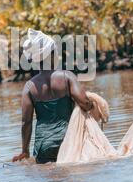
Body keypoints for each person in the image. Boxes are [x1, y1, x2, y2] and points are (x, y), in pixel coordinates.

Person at [12, 29, 95, 164]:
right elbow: (85, 103)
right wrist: (94, 104)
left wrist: (25, 150)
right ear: (51, 55)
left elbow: (26, 122)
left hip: (43, 147)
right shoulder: (67, 76)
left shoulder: (29, 87)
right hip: (69, 141)